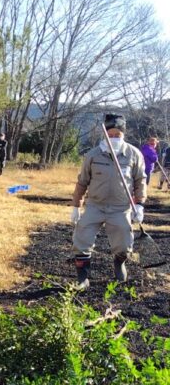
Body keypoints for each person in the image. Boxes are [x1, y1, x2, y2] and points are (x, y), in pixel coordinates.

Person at [70, 113, 146, 287]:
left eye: (117, 135)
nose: (113, 138)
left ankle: (119, 263)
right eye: (110, 135)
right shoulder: (93, 155)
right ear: (105, 134)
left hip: (121, 208)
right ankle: (83, 278)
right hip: (95, 205)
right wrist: (76, 206)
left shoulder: (134, 154)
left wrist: (140, 205)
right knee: (81, 238)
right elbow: (82, 182)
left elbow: (140, 181)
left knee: (124, 244)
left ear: (123, 134)